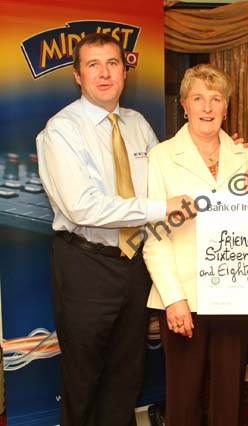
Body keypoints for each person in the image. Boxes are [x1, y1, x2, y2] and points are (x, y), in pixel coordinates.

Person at [36, 33, 190, 425]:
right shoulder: (62, 131)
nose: (104, 73)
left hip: (134, 264)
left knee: (126, 375)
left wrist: (218, 154)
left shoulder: (137, 125)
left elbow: (169, 174)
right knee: (84, 376)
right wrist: (160, 208)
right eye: (93, 65)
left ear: (125, 70)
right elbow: (82, 206)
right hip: (86, 265)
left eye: (112, 64)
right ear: (77, 75)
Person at [142, 64, 248, 426]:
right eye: (198, 98)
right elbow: (154, 235)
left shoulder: (246, 158)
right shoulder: (161, 157)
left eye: (216, 99)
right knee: (183, 397)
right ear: (184, 105)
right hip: (182, 295)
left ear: (226, 107)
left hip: (233, 292)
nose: (207, 107)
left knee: (229, 396)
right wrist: (173, 298)